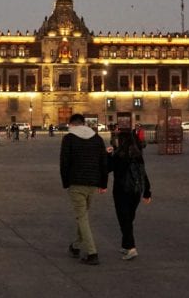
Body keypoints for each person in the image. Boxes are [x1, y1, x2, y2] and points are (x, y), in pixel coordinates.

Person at [60, 113, 109, 265]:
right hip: (92, 183)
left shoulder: (68, 138)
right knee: (83, 216)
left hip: (76, 183)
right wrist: (103, 183)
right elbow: (104, 162)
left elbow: (64, 162)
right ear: (83, 123)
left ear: (72, 124)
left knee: (82, 217)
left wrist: (66, 183)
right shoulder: (97, 138)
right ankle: (75, 246)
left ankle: (92, 253)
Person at [108, 126, 152, 260]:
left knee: (124, 219)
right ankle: (126, 244)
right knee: (129, 218)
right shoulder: (137, 154)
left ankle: (131, 248)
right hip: (136, 191)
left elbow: (107, 168)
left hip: (121, 191)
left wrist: (107, 154)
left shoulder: (119, 155)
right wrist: (147, 192)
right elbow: (143, 173)